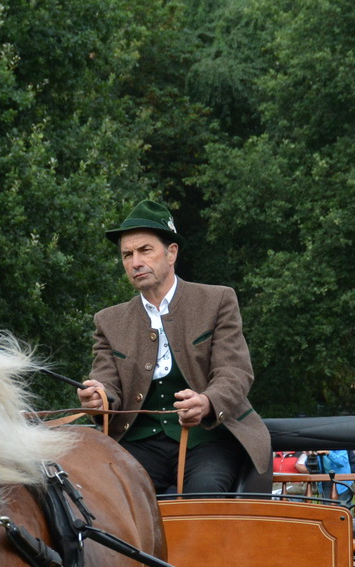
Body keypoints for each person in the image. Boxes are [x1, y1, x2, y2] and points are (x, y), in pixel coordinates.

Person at [77, 199, 270, 495]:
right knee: (106, 501)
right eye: (127, 255)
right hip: (138, 443)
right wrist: (99, 399)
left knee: (204, 494)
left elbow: (235, 372)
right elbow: (107, 385)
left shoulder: (217, 301)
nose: (135, 262)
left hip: (209, 440)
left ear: (171, 253)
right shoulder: (108, 321)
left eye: (145, 250)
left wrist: (206, 403)